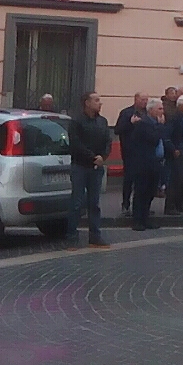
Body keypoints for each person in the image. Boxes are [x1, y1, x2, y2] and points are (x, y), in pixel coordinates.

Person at [67, 91, 111, 249]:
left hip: (96, 167)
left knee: (94, 203)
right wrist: (92, 157)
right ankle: (71, 236)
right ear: (87, 103)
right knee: (77, 202)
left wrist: (102, 157)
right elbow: (76, 144)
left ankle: (95, 236)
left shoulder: (102, 121)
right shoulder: (77, 121)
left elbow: (108, 141)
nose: (100, 103)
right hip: (80, 166)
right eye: (97, 100)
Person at [128, 99, 167, 232]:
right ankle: (137, 220)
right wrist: (161, 126)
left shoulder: (154, 124)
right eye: (160, 109)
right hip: (143, 163)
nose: (162, 112)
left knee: (150, 192)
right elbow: (153, 139)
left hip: (155, 163)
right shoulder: (144, 124)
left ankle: (145, 218)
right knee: (141, 192)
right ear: (151, 110)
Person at [114, 92, 149, 218]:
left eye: (146, 99)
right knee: (129, 179)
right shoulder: (127, 112)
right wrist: (130, 123)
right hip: (130, 151)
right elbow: (117, 130)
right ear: (136, 99)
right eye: (142, 99)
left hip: (145, 151)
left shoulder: (148, 113)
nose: (144, 102)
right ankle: (126, 204)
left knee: (144, 180)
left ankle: (141, 206)